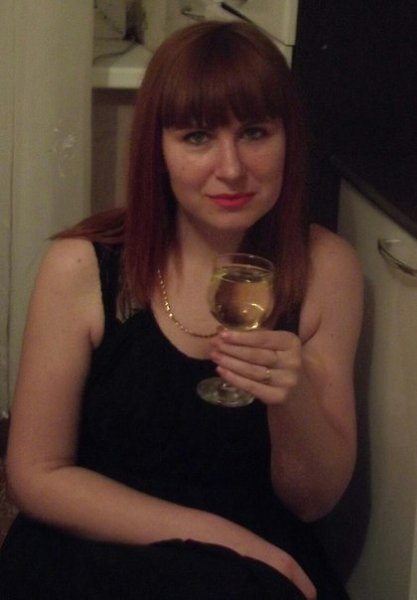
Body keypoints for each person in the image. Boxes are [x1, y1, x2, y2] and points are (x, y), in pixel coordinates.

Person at [0, 20, 363, 599]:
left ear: (289, 139)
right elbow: (34, 474)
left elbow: (312, 501)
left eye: (254, 132)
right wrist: (219, 538)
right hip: (97, 543)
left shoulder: (326, 268)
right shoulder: (82, 266)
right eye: (197, 137)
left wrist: (293, 399)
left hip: (247, 569)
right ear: (158, 151)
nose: (231, 168)